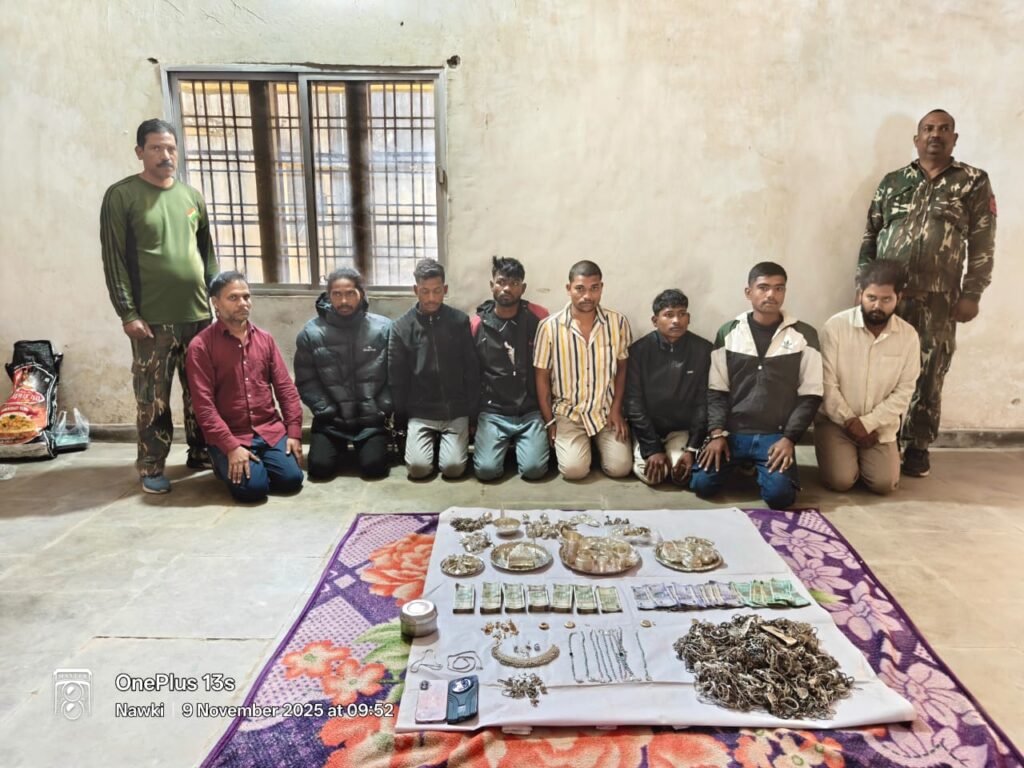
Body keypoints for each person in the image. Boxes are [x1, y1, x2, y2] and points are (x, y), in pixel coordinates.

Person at [858, 109, 996, 478]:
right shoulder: (893, 182)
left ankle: (917, 445)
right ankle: (881, 438)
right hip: (889, 298)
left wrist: (973, 293)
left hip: (940, 298)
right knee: (883, 368)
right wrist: (863, 285)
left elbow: (983, 242)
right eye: (928, 129)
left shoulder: (973, 181)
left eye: (944, 129)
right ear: (916, 138)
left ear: (954, 138)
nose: (936, 134)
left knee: (931, 371)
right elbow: (870, 235)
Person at [100, 118, 219, 494]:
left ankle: (202, 452)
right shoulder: (122, 196)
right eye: (156, 148)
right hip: (152, 321)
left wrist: (216, 298)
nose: (165, 155)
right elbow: (114, 259)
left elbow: (206, 253)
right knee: (153, 398)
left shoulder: (191, 196)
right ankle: (151, 466)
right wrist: (128, 313)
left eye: (170, 148)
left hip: (198, 315)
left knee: (202, 392)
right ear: (140, 152)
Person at [690, 262, 822, 509]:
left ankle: (760, 466)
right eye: (763, 287)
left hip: (775, 435)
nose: (771, 294)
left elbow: (810, 395)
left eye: (779, 288)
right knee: (701, 485)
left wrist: (789, 439)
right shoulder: (729, 332)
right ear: (748, 292)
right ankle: (744, 463)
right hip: (733, 433)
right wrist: (717, 433)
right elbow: (717, 391)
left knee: (780, 497)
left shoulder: (803, 335)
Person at [185, 272, 304, 502]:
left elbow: (285, 389)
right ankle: (219, 459)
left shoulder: (265, 339)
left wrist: (293, 432)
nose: (243, 303)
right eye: (233, 298)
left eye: (246, 297)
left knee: (291, 480)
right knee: (253, 490)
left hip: (269, 430)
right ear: (216, 302)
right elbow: (204, 407)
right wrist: (230, 447)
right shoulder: (201, 346)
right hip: (231, 434)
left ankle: (258, 466)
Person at [816, 261, 921, 495]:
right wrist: (851, 422)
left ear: (899, 297)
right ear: (860, 294)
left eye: (886, 299)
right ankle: (846, 458)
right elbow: (827, 385)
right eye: (871, 297)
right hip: (837, 422)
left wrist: (869, 424)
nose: (877, 306)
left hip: (880, 426)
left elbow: (905, 390)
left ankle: (867, 459)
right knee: (841, 480)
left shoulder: (908, 336)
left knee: (884, 484)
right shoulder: (835, 328)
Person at [534, 260, 633, 480]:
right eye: (580, 288)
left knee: (620, 468)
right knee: (574, 471)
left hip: (605, 412)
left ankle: (600, 446)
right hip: (568, 413)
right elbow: (541, 378)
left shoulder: (617, 323)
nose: (587, 296)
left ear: (601, 288)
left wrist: (617, 409)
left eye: (594, 288)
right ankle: (581, 449)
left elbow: (622, 367)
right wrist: (549, 421)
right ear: (568, 288)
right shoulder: (549, 327)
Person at [294, 268, 392, 480]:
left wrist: (381, 407)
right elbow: (306, 380)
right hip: (331, 422)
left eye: (350, 293)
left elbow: (395, 376)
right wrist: (326, 410)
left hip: (370, 420)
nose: (344, 300)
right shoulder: (311, 333)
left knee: (374, 468)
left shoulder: (383, 329)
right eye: (337, 294)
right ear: (328, 296)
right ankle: (337, 447)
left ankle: (367, 448)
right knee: (319, 469)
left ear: (361, 294)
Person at [388, 259, 479, 479]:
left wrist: (473, 415)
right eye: (425, 291)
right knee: (418, 469)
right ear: (415, 290)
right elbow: (397, 379)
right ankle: (431, 444)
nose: (431, 298)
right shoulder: (401, 327)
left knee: (453, 468)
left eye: (437, 291)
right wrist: (401, 422)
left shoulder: (459, 321)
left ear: (445, 290)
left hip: (455, 411)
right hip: (420, 413)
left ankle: (443, 446)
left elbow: (472, 370)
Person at [470, 256, 550, 481]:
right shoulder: (477, 324)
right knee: (486, 471)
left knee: (534, 470)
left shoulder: (539, 318)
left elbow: (549, 367)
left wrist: (548, 415)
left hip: (530, 411)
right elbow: (472, 374)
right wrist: (472, 418)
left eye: (514, 283)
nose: (507, 288)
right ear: (492, 285)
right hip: (493, 412)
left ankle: (526, 449)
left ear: (523, 288)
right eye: (501, 282)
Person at [624, 289, 712, 486]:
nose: (676, 321)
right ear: (655, 321)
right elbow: (633, 403)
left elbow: (704, 403)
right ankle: (641, 448)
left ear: (688, 318)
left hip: (681, 430)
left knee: (680, 474)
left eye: (681, 314)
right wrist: (652, 448)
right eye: (669, 315)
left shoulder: (703, 350)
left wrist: (692, 448)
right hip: (647, 430)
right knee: (653, 476)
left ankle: (676, 453)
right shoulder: (638, 351)